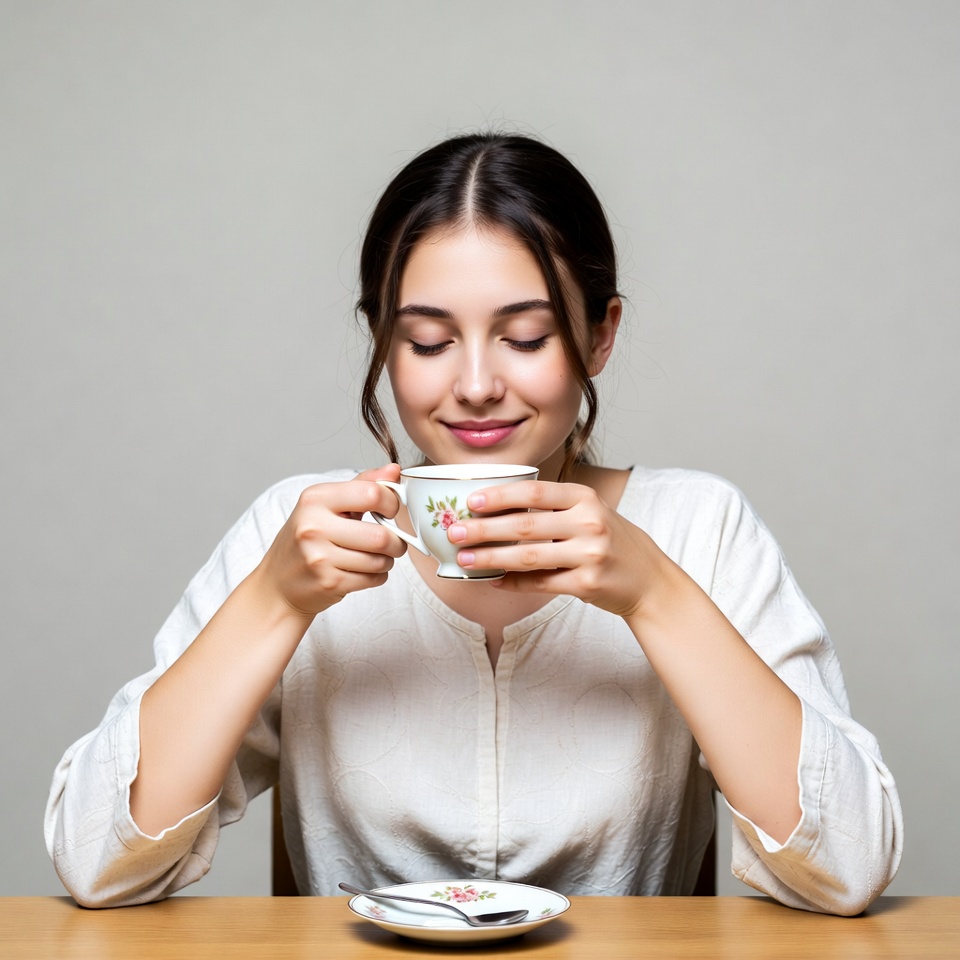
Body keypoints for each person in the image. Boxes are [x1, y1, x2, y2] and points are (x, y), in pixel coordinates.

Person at [45, 132, 902, 915]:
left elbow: (852, 866)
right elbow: (96, 864)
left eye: (526, 337)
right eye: (426, 342)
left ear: (600, 337)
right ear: (382, 344)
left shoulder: (698, 526)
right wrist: (271, 602)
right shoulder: (297, 530)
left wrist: (656, 594)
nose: (478, 383)